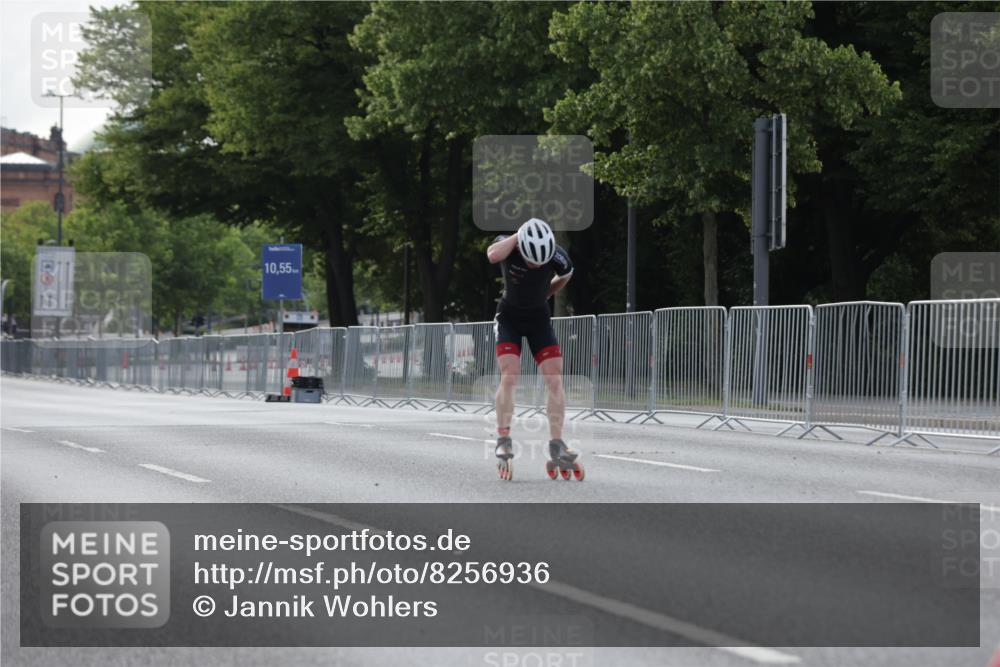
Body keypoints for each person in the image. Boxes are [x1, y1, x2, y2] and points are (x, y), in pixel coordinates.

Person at [486, 218, 580, 479]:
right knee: (511, 374)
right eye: (530, 261)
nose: (536, 265)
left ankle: (557, 443)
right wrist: (517, 236)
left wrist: (546, 294)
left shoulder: (556, 255)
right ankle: (503, 438)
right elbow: (492, 255)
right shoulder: (509, 245)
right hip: (509, 317)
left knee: (554, 379)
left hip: (539, 317)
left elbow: (567, 274)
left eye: (541, 262)